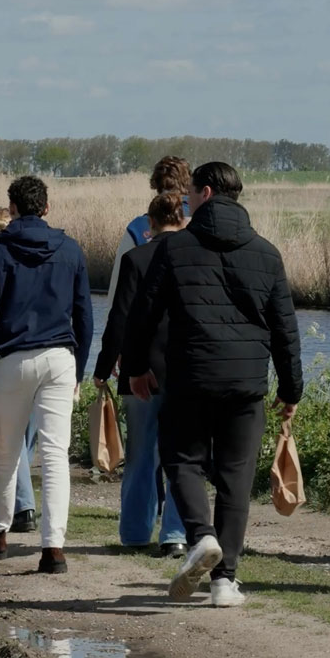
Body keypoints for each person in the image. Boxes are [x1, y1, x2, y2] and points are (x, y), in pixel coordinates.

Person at [123, 162, 302, 608]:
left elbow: (143, 314)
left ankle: (201, 535)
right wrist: (291, 388)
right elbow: (285, 327)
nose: (185, 202)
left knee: (181, 459)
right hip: (246, 384)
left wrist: (137, 366)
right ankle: (225, 582)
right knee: (235, 479)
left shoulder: (174, 249)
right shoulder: (266, 252)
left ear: (204, 193)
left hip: (189, 377)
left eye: (189, 195)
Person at [0, 176, 93, 574]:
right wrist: (80, 369)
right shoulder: (70, 249)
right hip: (60, 357)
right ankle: (53, 548)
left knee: (6, 451)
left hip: (11, 360)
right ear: (47, 207)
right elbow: (85, 315)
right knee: (55, 454)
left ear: (14, 208)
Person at [94, 188, 188, 558]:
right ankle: (176, 534)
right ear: (182, 220)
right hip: (185, 371)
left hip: (141, 371)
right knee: (181, 456)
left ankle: (135, 532)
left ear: (149, 224)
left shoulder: (135, 258)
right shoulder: (196, 259)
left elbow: (121, 320)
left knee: (140, 455)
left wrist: (105, 368)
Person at [0, 206, 39, 533]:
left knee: (8, 438)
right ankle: (20, 498)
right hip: (40, 356)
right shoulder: (30, 262)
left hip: (1, 360)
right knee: (24, 436)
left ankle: (23, 505)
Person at [106, 155, 192, 298]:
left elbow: (118, 286)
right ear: (189, 183)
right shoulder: (202, 221)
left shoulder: (138, 228)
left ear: (156, 185)